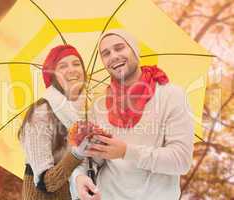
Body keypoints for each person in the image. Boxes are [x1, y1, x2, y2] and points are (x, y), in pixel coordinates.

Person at [70, 29, 194, 200]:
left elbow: (181, 160)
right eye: (106, 54)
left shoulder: (171, 95)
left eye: (119, 48)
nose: (113, 56)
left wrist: (126, 152)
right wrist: (79, 177)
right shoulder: (98, 105)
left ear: (135, 50)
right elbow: (90, 158)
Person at [19, 44, 91, 200]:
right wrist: (77, 153)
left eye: (76, 64)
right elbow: (46, 182)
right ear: (53, 76)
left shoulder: (87, 111)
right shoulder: (42, 113)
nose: (72, 69)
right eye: (63, 66)